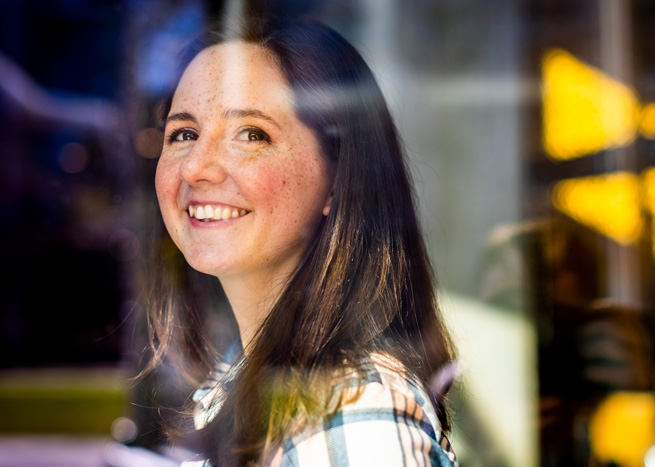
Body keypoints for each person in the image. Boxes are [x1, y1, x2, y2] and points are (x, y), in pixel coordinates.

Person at [147, 17, 457, 467]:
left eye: (251, 135)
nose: (196, 167)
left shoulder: (351, 410)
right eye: (184, 134)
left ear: (336, 181)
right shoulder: (249, 371)